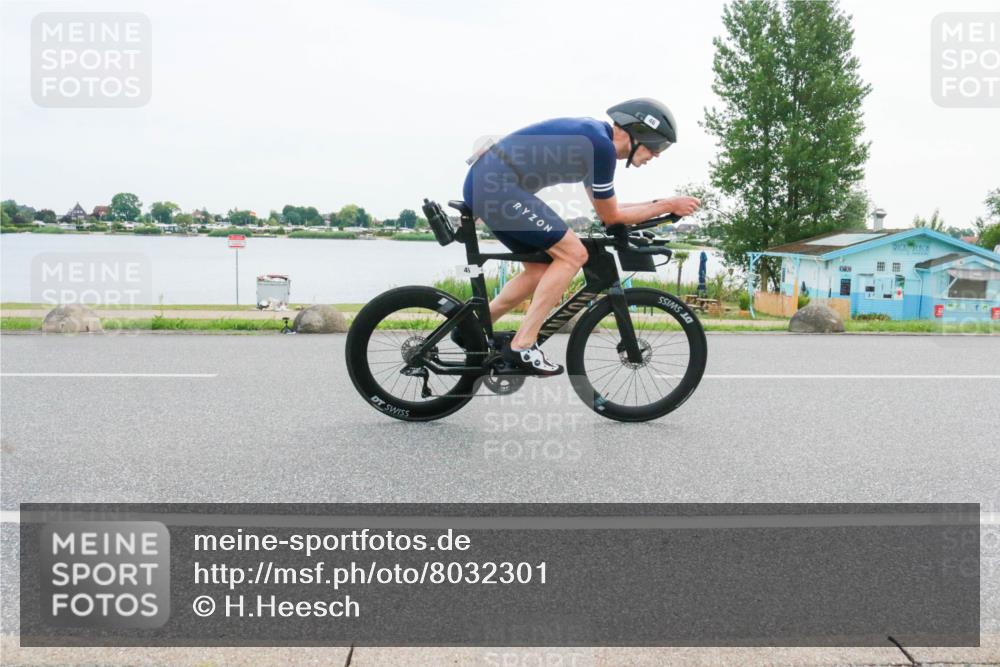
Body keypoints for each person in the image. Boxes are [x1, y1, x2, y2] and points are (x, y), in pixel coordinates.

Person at [462, 98, 700, 375]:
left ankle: (472, 329)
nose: (657, 155)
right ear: (638, 133)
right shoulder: (599, 146)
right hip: (497, 187)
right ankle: (523, 346)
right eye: (658, 146)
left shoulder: (594, 142)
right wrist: (668, 205)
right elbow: (612, 218)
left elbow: (607, 210)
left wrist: (662, 204)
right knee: (574, 253)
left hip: (491, 186)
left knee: (540, 269)